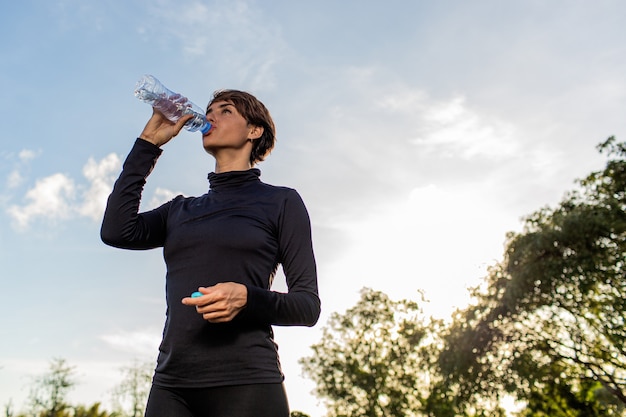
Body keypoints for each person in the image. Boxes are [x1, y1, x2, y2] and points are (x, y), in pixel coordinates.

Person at [100, 89, 321, 417]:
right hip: (171, 386)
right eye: (209, 110)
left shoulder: (282, 203)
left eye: (226, 110)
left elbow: (307, 306)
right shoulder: (180, 210)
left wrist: (248, 298)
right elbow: (117, 231)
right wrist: (148, 143)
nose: (211, 116)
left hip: (248, 383)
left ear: (253, 130)